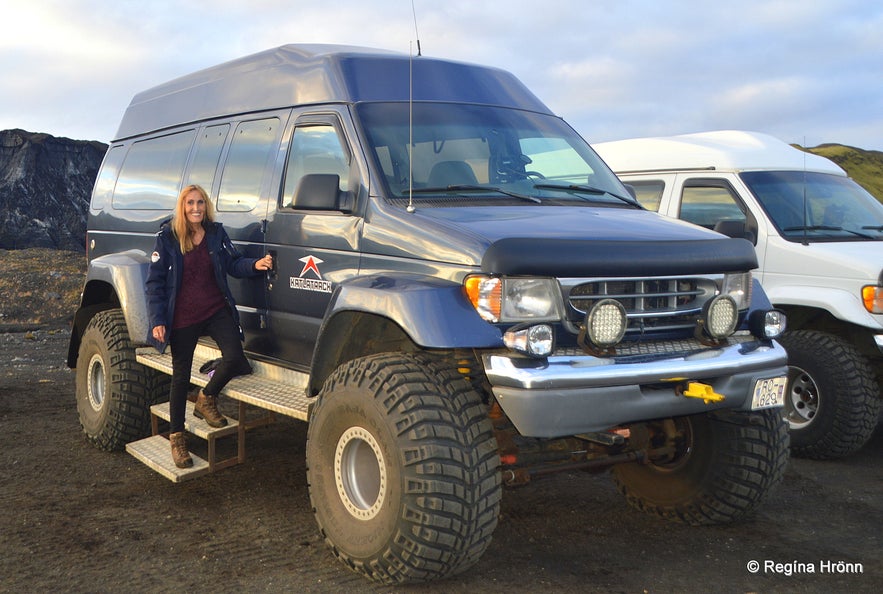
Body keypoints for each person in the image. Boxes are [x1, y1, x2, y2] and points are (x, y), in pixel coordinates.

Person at [146, 184, 272, 468]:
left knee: (236, 358)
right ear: (182, 206)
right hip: (182, 316)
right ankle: (177, 439)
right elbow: (155, 283)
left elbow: (234, 264)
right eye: (190, 203)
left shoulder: (215, 233)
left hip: (215, 309)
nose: (196, 209)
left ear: (206, 206)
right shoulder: (168, 236)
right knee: (180, 377)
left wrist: (256, 265)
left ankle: (206, 397)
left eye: (200, 203)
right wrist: (157, 320)